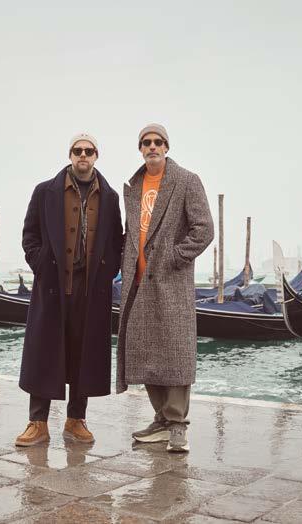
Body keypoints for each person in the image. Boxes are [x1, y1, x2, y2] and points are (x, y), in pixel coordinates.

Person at [15, 133, 123, 446]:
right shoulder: (44, 191)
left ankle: (76, 420)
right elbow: (30, 235)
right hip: (52, 284)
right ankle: (37, 423)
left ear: (96, 155)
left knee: (83, 353)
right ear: (70, 154)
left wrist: (106, 273)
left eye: (88, 151)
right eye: (78, 150)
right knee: (44, 352)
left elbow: (116, 241)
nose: (83, 155)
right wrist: (41, 265)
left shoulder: (111, 197)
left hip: (90, 288)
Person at [117, 123, 214, 452]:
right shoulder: (133, 186)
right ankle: (161, 420)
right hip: (138, 281)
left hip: (172, 280)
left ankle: (177, 425)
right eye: (146, 142)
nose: (152, 147)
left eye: (158, 142)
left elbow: (204, 229)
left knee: (176, 351)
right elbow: (131, 233)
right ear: (140, 148)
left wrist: (175, 257)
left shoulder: (187, 180)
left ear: (167, 147)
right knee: (145, 350)